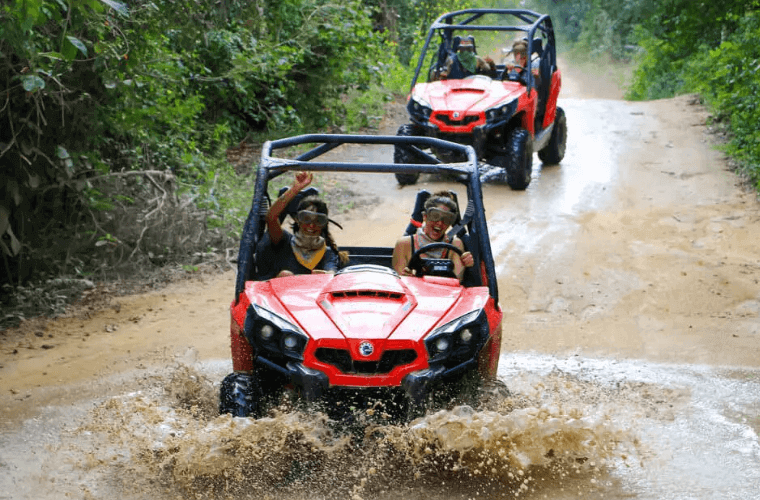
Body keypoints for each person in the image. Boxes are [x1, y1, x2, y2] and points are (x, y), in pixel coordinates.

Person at [255, 171, 348, 280]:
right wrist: (295, 188)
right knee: (286, 275)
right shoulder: (284, 242)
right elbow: (271, 217)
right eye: (306, 219)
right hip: (281, 295)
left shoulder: (327, 252)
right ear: (298, 220)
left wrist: (326, 275)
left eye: (318, 220)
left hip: (313, 295)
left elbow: (331, 272)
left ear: (323, 224)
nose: (311, 225)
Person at [392, 191, 474, 283]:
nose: (439, 223)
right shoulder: (404, 244)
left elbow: (457, 282)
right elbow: (400, 285)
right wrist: (408, 278)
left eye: (446, 219)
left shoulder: (455, 245)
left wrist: (466, 264)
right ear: (425, 216)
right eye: (435, 216)